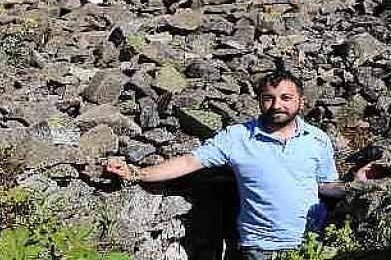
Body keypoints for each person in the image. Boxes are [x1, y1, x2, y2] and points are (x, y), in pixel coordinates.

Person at [105, 70, 369, 259]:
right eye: (269, 98)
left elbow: (325, 186)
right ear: (259, 101)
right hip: (259, 248)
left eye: (286, 98)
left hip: (311, 244)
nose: (277, 105)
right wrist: (136, 172)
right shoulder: (237, 137)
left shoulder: (317, 139)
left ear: (301, 101)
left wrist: (357, 185)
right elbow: (189, 161)